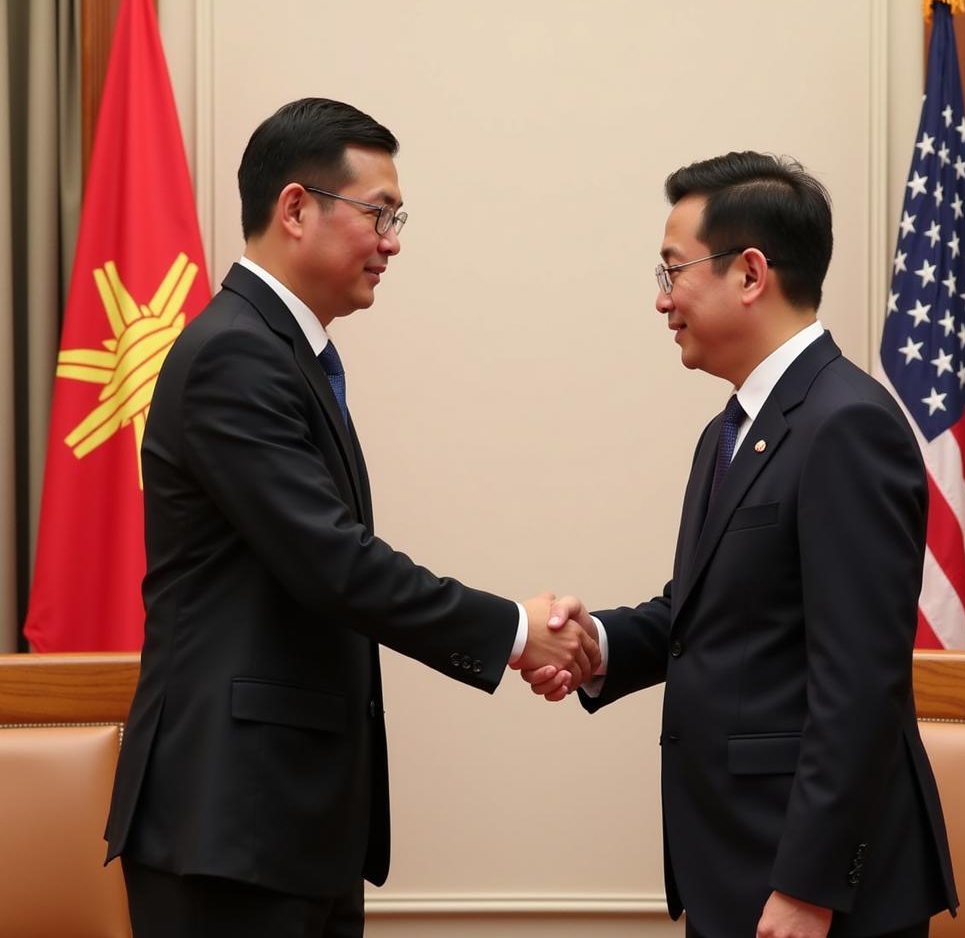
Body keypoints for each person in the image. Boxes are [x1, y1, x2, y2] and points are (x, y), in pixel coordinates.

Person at [104, 97, 599, 938]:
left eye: (397, 218)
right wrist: (516, 630)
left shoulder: (287, 353)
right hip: (229, 826)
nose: (394, 241)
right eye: (379, 214)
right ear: (296, 208)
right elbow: (335, 564)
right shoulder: (236, 354)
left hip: (289, 824)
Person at [523, 152, 958, 938]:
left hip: (810, 893)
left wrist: (809, 887)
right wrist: (599, 644)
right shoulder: (731, 432)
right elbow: (711, 613)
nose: (661, 301)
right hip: (735, 866)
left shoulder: (846, 425)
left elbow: (860, 680)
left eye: (672, 271)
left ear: (750, 273)